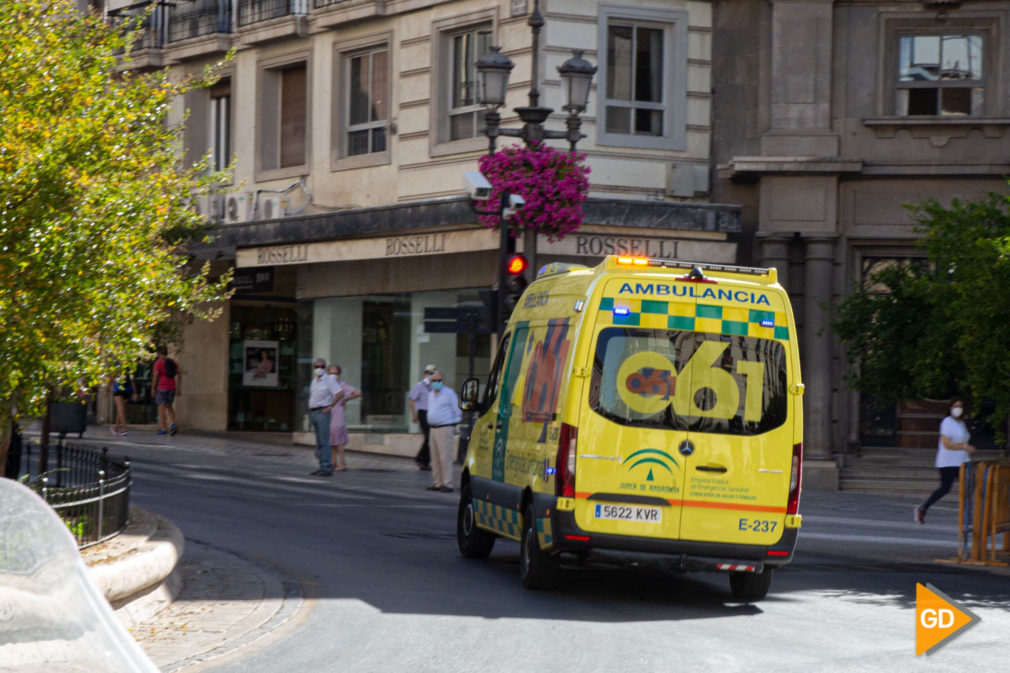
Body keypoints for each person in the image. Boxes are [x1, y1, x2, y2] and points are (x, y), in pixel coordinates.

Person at [915, 398, 976, 524]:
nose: (958, 408)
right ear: (950, 408)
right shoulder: (947, 422)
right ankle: (923, 508)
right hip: (948, 462)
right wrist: (964, 447)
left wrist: (966, 448)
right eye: (955, 406)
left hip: (963, 461)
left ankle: (967, 517)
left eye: (960, 406)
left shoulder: (961, 423)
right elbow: (947, 444)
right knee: (945, 488)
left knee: (968, 488)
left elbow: (963, 440)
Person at [424, 370, 461, 493]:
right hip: (433, 429)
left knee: (445, 456)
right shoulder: (430, 395)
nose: (436, 382)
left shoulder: (449, 393)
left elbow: (457, 411)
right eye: (434, 380)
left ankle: (448, 483)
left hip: (444, 428)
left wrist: (452, 424)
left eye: (439, 380)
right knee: (434, 457)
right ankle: (438, 482)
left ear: (442, 381)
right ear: (431, 381)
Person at [308, 357, 344, 477]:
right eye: (317, 366)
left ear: (325, 368)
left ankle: (327, 467)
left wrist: (330, 406)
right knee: (319, 442)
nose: (319, 369)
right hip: (314, 412)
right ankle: (322, 466)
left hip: (322, 412)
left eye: (321, 367)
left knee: (324, 441)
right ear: (313, 368)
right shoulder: (314, 381)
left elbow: (340, 393)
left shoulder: (328, 380)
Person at [327, 364, 361, 472]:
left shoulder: (342, 385)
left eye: (335, 373)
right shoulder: (327, 385)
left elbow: (356, 393)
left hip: (338, 415)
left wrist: (346, 400)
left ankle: (342, 463)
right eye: (331, 373)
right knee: (331, 440)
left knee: (338, 440)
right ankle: (333, 462)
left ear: (339, 374)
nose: (333, 375)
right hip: (329, 415)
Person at [408, 364, 436, 471]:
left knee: (431, 437)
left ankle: (422, 459)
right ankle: (422, 459)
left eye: (432, 373)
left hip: (432, 413)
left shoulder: (434, 386)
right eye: (429, 373)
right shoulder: (420, 385)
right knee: (429, 436)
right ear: (425, 374)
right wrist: (414, 414)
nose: (431, 375)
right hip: (423, 413)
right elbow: (411, 399)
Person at [151, 347, 180, 436]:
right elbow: (179, 374)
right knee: (170, 407)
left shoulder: (158, 362)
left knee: (161, 409)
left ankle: (163, 429)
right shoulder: (173, 362)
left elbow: (156, 375)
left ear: (159, 354)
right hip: (171, 387)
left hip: (162, 387)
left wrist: (153, 388)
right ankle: (173, 424)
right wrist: (179, 388)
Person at [110, 367, 138, 436]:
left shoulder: (117, 366)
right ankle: (121, 428)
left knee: (121, 410)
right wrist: (135, 393)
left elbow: (111, 378)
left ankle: (119, 428)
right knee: (121, 410)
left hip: (120, 389)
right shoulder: (129, 367)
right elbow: (132, 381)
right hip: (124, 390)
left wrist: (107, 388)